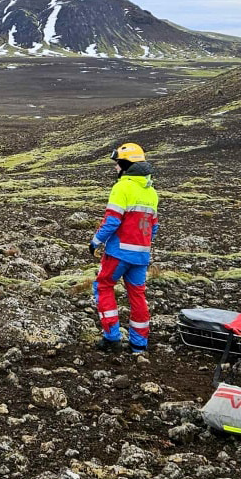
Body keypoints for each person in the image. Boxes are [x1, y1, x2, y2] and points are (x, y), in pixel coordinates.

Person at [90, 142, 159, 354]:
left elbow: (112, 221)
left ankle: (112, 338)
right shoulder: (151, 192)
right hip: (141, 255)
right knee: (137, 295)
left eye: (118, 163)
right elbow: (153, 227)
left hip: (118, 253)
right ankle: (139, 344)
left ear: (127, 165)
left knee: (103, 286)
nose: (115, 168)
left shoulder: (122, 187)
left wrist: (95, 241)